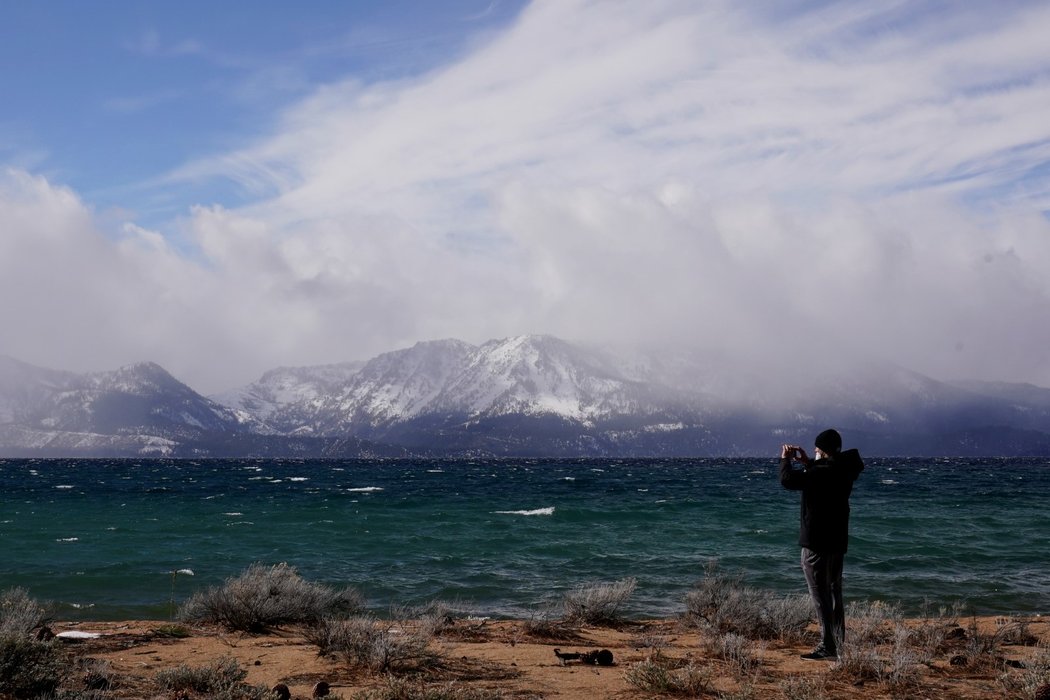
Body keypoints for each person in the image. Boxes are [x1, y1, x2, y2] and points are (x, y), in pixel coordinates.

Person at [780, 429, 864, 660]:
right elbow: (821, 475)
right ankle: (837, 643)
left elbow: (788, 481)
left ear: (824, 451)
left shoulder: (823, 472)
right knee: (834, 592)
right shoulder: (843, 469)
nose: (815, 452)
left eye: (817, 449)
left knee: (819, 593)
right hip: (837, 541)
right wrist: (808, 463)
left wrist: (785, 460)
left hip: (817, 542)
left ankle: (828, 647)